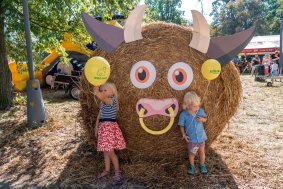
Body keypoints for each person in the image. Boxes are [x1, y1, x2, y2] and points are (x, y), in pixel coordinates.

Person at [94, 82, 126, 185]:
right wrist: (96, 128)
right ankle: (107, 170)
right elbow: (99, 117)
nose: (103, 92)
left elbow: (101, 97)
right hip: (103, 128)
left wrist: (96, 89)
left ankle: (117, 172)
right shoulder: (103, 103)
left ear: (113, 92)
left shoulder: (112, 101)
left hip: (109, 129)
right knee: (105, 151)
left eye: (105, 90)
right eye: (102, 90)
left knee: (110, 151)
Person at [178, 91, 208, 175]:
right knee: (192, 153)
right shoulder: (184, 115)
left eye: (198, 105)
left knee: (202, 152)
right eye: (195, 106)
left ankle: (202, 165)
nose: (197, 107)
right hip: (192, 139)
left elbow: (205, 119)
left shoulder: (200, 111)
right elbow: (181, 126)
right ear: (187, 105)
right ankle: (192, 166)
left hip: (201, 138)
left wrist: (203, 119)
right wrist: (183, 134)